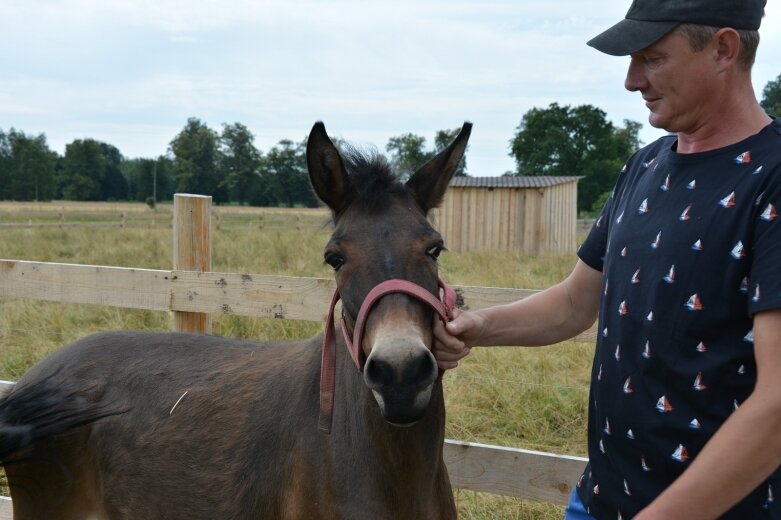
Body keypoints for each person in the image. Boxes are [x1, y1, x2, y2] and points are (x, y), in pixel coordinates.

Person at [433, 0, 781, 518]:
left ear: (723, 49)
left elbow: (777, 406)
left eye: (652, 58)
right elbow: (575, 302)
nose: (632, 80)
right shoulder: (644, 167)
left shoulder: (771, 181)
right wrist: (478, 326)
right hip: (599, 501)